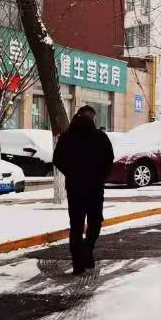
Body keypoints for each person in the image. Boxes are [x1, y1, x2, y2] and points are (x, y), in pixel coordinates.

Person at [53, 105, 115, 273]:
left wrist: (72, 173)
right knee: (95, 222)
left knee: (76, 225)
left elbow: (57, 159)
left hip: (74, 188)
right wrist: (100, 176)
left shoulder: (66, 137)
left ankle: (77, 263)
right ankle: (87, 250)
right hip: (95, 188)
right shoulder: (100, 137)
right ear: (92, 118)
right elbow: (109, 159)